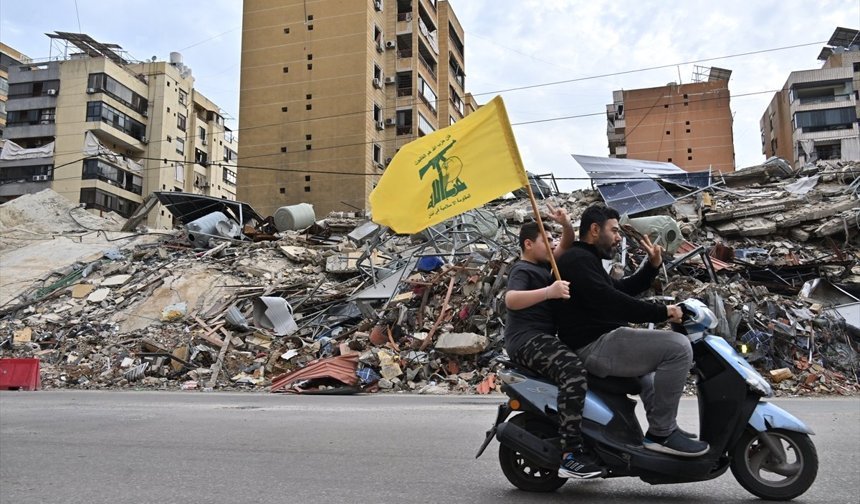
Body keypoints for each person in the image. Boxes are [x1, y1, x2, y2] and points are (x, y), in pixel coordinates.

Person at [555, 204, 709, 457]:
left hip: (602, 340)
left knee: (649, 374)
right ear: (595, 230)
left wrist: (652, 265)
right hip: (595, 345)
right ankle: (662, 433)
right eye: (614, 231)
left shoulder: (586, 260)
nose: (618, 238)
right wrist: (663, 312)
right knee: (678, 348)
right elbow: (612, 302)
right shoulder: (577, 260)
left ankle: (664, 429)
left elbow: (621, 290)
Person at [504, 206, 604, 479]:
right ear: (528, 244)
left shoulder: (546, 265)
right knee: (573, 371)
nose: (552, 245)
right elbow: (511, 299)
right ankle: (569, 454)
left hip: (544, 338)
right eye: (546, 241)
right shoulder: (522, 269)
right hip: (526, 340)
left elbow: (567, 244)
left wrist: (566, 223)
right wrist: (548, 292)